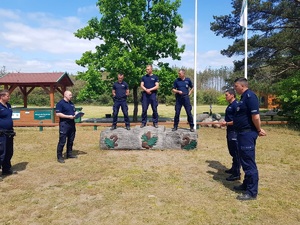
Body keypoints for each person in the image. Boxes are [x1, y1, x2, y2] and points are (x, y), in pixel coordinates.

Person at [233, 78, 266, 201]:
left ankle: (252, 192)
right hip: (242, 134)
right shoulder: (244, 97)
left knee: (248, 162)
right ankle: (246, 184)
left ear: (242, 85)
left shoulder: (251, 96)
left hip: (247, 134)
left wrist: (258, 129)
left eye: (236, 86)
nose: (235, 88)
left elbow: (255, 116)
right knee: (244, 159)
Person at [221, 89, 240, 181]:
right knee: (232, 151)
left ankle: (236, 173)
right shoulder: (230, 105)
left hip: (234, 131)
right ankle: (233, 168)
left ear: (232, 95)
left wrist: (227, 123)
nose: (226, 97)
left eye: (227, 95)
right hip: (229, 130)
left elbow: (237, 120)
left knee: (236, 152)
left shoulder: (236, 105)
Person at [55, 90, 78, 163]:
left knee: (71, 140)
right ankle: (59, 156)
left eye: (71, 95)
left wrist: (77, 114)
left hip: (72, 124)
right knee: (62, 141)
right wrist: (68, 116)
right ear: (65, 95)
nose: (71, 96)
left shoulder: (71, 103)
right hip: (64, 124)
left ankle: (69, 153)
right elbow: (58, 114)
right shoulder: (60, 103)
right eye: (70, 95)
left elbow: (74, 111)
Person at [0, 90, 17, 179]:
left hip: (9, 132)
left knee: (9, 151)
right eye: (7, 96)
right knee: (1, 152)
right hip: (1, 133)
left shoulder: (8, 106)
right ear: (2, 97)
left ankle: (6, 169)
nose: (9, 97)